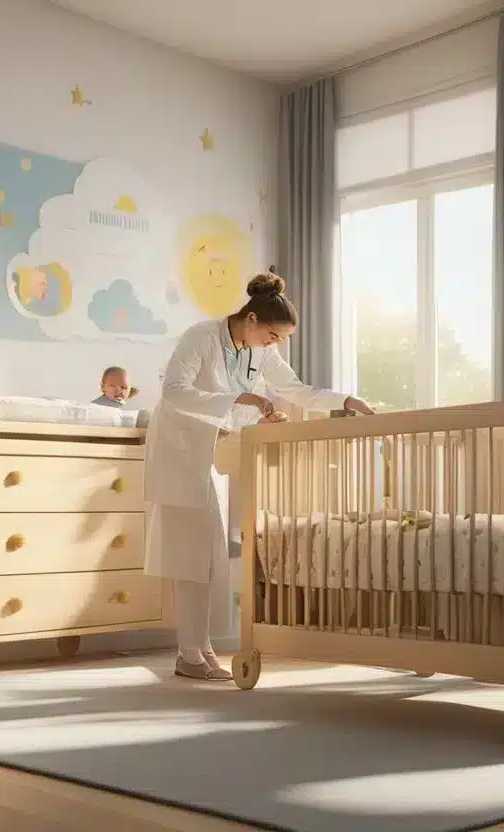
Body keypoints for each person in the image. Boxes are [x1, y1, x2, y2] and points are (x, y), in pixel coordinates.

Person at [143, 272, 375, 681]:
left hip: (213, 451)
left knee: (209, 553)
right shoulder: (201, 337)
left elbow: (296, 389)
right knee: (192, 553)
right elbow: (174, 392)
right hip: (181, 449)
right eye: (272, 336)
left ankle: (198, 649)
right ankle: (190, 653)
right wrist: (243, 398)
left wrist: (346, 400)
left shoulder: (259, 351)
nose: (274, 344)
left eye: (280, 339)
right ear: (251, 319)